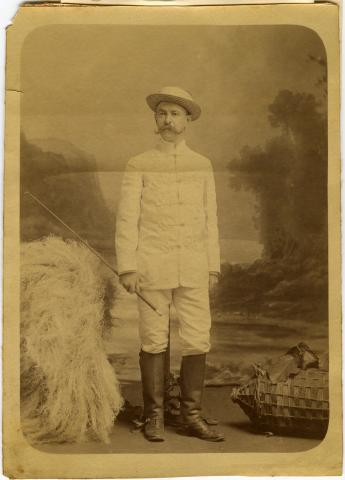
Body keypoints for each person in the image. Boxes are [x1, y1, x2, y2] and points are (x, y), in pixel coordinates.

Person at [115, 86, 224, 442]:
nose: (167, 120)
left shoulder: (202, 164)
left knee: (197, 339)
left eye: (175, 114)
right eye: (162, 113)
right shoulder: (139, 163)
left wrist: (212, 267)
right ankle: (155, 416)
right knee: (153, 339)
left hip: (193, 265)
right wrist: (128, 267)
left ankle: (192, 415)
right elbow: (126, 219)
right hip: (151, 267)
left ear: (187, 120)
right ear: (155, 119)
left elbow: (211, 219)